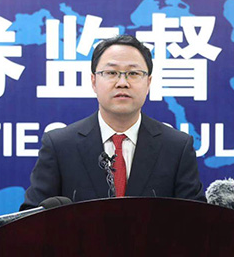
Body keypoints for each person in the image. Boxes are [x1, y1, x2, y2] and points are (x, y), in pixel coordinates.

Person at [20, 34, 205, 210]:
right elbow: (30, 218)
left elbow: (197, 220)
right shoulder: (60, 146)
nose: (122, 82)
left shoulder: (176, 147)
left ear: (148, 83)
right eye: (111, 72)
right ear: (94, 81)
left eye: (133, 73)